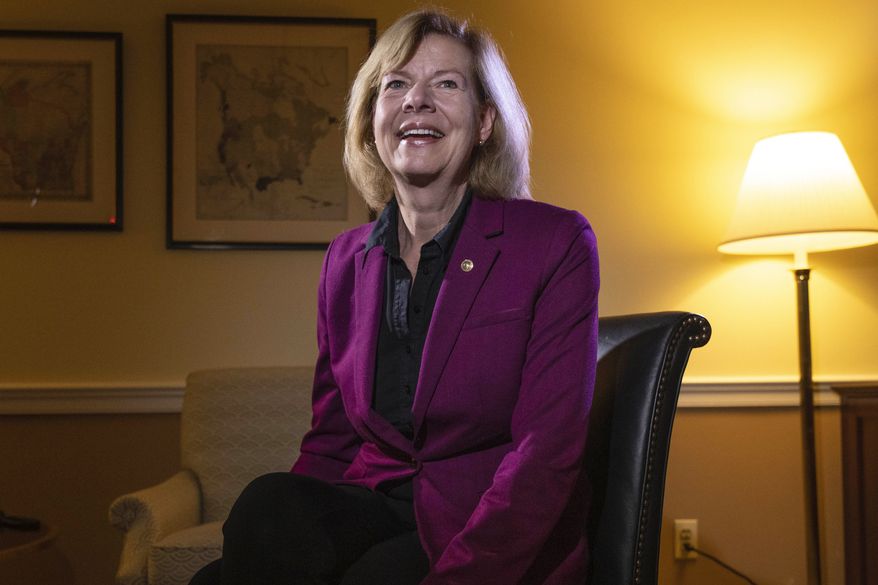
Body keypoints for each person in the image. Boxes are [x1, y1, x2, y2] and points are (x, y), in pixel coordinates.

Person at [190, 8, 599, 585]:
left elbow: (546, 452)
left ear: (484, 122)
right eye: (396, 85)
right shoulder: (344, 260)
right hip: (373, 507)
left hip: (482, 528)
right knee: (266, 506)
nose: (417, 101)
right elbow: (331, 440)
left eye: (446, 84)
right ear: (371, 122)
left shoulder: (554, 242)